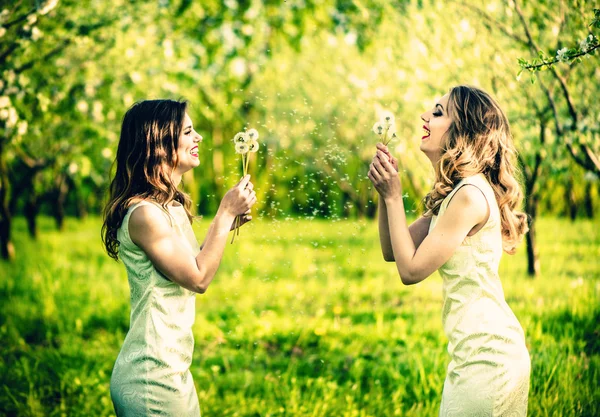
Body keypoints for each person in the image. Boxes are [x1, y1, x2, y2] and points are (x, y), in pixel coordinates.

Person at [368, 85, 530, 416]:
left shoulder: (469, 196)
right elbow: (394, 250)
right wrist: (387, 192)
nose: (425, 116)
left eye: (439, 112)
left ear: (464, 133)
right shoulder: (458, 193)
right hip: (476, 354)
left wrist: (394, 196)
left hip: (488, 360)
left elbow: (410, 271)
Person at [101, 99, 257, 416]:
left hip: (173, 370)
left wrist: (226, 225)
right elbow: (198, 278)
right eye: (188, 131)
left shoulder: (170, 207)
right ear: (159, 142)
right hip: (150, 378)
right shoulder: (144, 214)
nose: (198, 137)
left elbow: (190, 266)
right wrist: (224, 213)